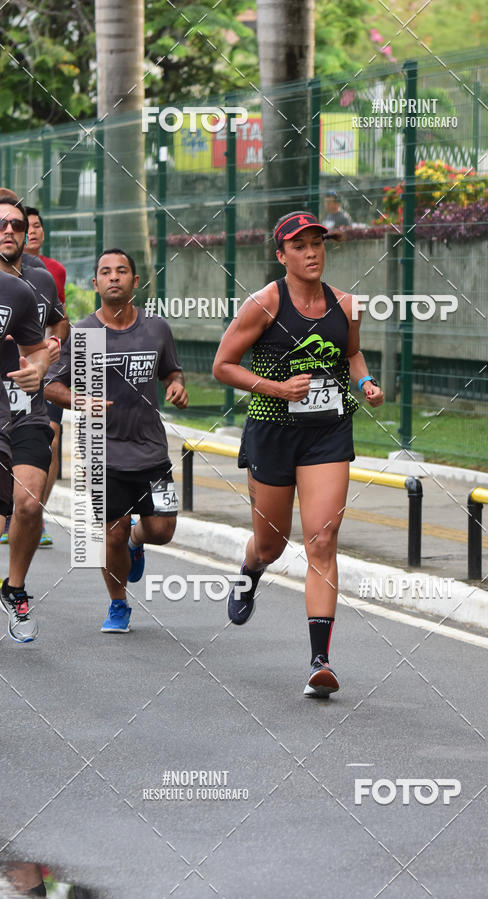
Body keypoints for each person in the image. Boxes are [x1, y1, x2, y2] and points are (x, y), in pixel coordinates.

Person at [213, 210, 383, 697]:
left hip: (327, 432)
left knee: (322, 541)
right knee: (271, 543)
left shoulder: (346, 305)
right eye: (300, 245)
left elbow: (350, 352)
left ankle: (319, 661)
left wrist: (366, 382)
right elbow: (223, 365)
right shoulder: (264, 304)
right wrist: (276, 388)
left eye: (318, 244)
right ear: (281, 254)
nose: (312, 253)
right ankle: (251, 570)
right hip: (272, 431)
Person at [45, 248, 188, 633]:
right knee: (113, 531)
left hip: (153, 452)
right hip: (102, 455)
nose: (114, 277)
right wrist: (81, 401)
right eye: (105, 272)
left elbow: (172, 372)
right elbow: (51, 386)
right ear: (95, 284)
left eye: (121, 271)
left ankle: (138, 543)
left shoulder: (156, 328)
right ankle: (118, 604)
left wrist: (176, 386)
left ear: (134, 282)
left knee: (163, 530)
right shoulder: (85, 333)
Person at [0, 197, 68, 642]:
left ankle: (15, 588)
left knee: (28, 503)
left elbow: (40, 345)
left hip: (24, 409)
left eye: (17, 225)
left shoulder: (25, 289)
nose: (9, 230)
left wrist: (40, 368)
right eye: (1, 223)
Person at [25, 205, 68, 546]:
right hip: (10, 375)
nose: (32, 231)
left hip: (48, 371)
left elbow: (60, 320)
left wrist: (52, 347)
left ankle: (35, 513)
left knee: (50, 439)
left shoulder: (51, 272)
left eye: (37, 226)